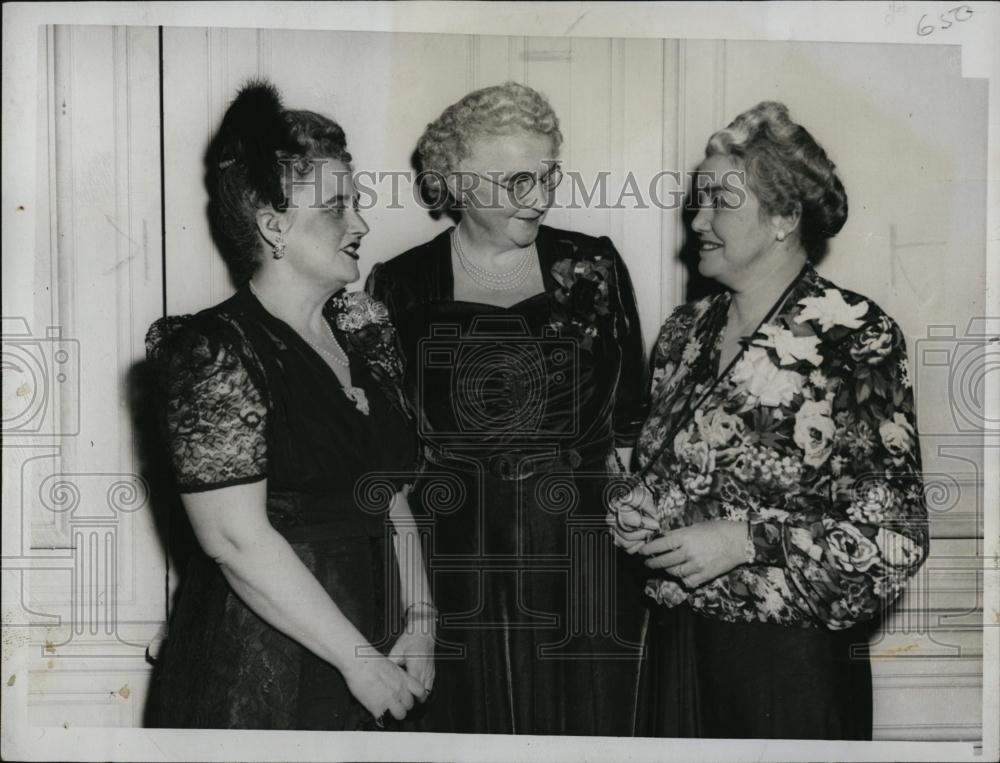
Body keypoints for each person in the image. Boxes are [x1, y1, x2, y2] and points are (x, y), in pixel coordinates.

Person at [609, 101, 928, 740]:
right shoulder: (683, 332)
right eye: (697, 203)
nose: (697, 221)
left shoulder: (855, 337)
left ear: (784, 216)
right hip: (676, 652)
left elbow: (897, 541)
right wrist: (630, 504)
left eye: (720, 203)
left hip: (787, 670)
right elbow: (657, 474)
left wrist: (748, 540)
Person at [145, 81, 434, 730]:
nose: (359, 223)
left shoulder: (362, 331)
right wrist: (358, 659)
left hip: (378, 645)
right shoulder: (213, 351)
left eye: (355, 204)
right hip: (269, 658)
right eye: (336, 208)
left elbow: (389, 492)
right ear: (273, 226)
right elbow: (234, 539)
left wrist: (422, 618)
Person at [367, 81, 649, 735]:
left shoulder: (594, 266)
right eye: (517, 180)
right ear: (458, 182)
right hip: (452, 559)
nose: (541, 196)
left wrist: (635, 502)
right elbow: (388, 455)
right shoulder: (401, 285)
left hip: (582, 558)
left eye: (548, 174)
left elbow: (631, 426)